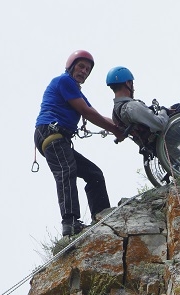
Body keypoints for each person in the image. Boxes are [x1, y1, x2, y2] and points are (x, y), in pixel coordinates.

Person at [34, 50, 125, 237]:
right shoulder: (64, 81)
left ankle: (102, 217)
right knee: (67, 171)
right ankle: (70, 223)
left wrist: (123, 126)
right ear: (71, 66)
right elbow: (88, 113)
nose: (84, 71)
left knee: (94, 174)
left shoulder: (74, 90)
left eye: (88, 69)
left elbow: (94, 112)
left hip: (58, 139)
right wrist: (116, 130)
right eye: (81, 66)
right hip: (51, 134)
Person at [106, 66, 169, 147]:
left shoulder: (115, 115)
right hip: (167, 140)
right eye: (132, 84)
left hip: (153, 148)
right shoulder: (132, 107)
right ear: (128, 83)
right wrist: (164, 110)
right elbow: (161, 124)